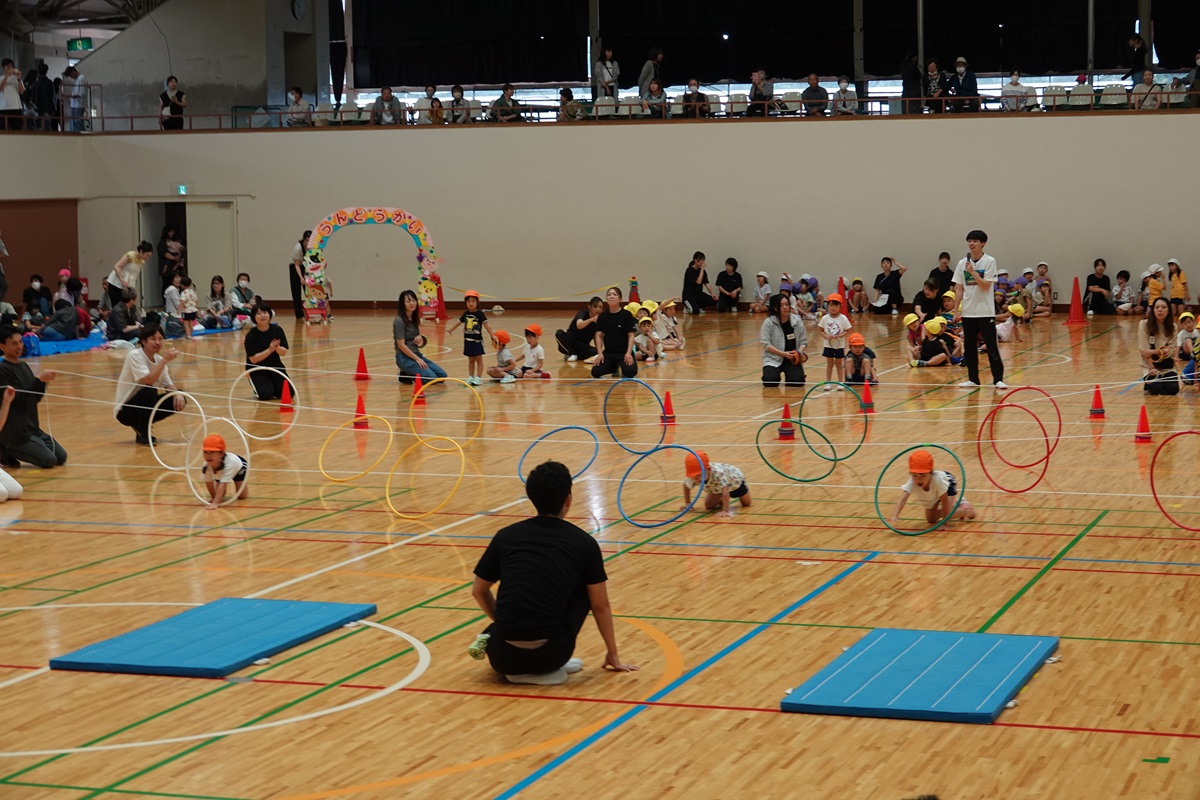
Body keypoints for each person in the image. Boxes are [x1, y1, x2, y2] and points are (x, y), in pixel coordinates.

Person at [467, 460, 638, 685]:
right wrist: (613, 654)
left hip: (502, 657)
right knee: (587, 588)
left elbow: (478, 591)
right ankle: (545, 668)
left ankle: (501, 640)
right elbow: (600, 605)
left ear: (532, 499)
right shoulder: (583, 543)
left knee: (521, 584)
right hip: (552, 656)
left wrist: (503, 622)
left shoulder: (505, 536)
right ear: (568, 499)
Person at [0, 326, 65, 468]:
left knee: (61, 457)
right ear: (2, 347)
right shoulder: (3, 370)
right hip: (17, 434)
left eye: (20, 342)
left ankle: (28, 445)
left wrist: (43, 382)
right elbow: (17, 399)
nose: (19, 346)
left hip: (33, 429)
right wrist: (38, 381)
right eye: (14, 343)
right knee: (49, 460)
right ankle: (6, 449)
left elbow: (34, 399)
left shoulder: (24, 366)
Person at [953, 230, 1006, 390]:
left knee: (991, 346)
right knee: (969, 347)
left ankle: (998, 379)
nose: (971, 243)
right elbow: (959, 288)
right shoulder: (962, 263)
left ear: (983, 243)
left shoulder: (990, 261)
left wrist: (973, 273)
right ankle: (973, 379)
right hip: (968, 312)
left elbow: (986, 285)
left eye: (975, 241)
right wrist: (956, 310)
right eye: (969, 240)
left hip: (985, 311)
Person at [889, 449, 976, 532]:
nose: (919, 480)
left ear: (930, 473)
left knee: (948, 512)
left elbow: (945, 501)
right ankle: (956, 505)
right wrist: (894, 515)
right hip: (934, 492)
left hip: (948, 484)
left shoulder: (937, 481)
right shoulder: (912, 482)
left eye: (923, 476)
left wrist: (944, 523)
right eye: (914, 475)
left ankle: (967, 510)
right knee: (931, 519)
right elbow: (902, 499)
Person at [243, 303, 295, 400]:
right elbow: (253, 359)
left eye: (265, 312)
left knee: (289, 393)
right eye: (258, 313)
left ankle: (271, 385)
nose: (262, 316)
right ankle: (258, 386)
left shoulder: (277, 330)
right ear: (254, 317)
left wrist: (277, 347)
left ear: (269, 314)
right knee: (266, 395)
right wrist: (270, 349)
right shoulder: (251, 335)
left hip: (275, 367)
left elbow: (283, 352)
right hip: (257, 370)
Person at [394, 289, 447, 382]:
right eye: (408, 301)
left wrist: (420, 338)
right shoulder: (399, 321)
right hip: (404, 357)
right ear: (403, 304)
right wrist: (417, 359)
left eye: (413, 301)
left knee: (442, 376)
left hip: (416, 353)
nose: (412, 303)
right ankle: (405, 373)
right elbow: (401, 345)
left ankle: (408, 373)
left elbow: (418, 342)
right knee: (431, 378)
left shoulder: (415, 319)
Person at [681, 450, 750, 519]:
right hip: (717, 488)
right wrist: (688, 504)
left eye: (698, 475)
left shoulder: (718, 473)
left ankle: (742, 490)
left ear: (709, 469)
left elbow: (725, 490)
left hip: (734, 483)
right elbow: (686, 485)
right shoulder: (694, 476)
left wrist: (725, 511)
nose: (695, 479)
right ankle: (721, 497)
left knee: (746, 503)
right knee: (709, 506)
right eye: (693, 476)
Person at [446, 290, 494, 384]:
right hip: (467, 341)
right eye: (468, 301)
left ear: (477, 302)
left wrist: (492, 335)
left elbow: (487, 325)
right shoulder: (466, 314)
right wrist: (451, 329)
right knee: (470, 360)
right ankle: (471, 376)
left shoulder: (480, 314)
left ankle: (478, 377)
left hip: (477, 341)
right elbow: (459, 322)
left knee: (479, 359)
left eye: (473, 301)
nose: (470, 303)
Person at [591, 286, 637, 379]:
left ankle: (622, 364)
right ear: (606, 299)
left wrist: (628, 353)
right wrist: (600, 354)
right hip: (609, 353)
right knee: (595, 372)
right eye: (609, 295)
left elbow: (631, 336)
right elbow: (599, 336)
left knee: (630, 372)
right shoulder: (603, 316)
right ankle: (613, 367)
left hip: (623, 353)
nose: (611, 296)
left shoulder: (626, 315)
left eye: (615, 294)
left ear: (620, 299)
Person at [1139, 297, 1178, 395]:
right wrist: (1151, 368)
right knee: (1156, 389)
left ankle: (1161, 381)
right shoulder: (1144, 324)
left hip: (1167, 366)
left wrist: (1154, 352)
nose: (1160, 310)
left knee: (1173, 389)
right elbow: (1144, 350)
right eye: (1157, 307)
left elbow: (1172, 350)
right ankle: (1150, 382)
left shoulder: (1173, 327)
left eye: (1163, 307)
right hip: (1149, 365)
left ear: (1168, 311)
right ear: (1153, 310)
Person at [201, 433, 248, 510]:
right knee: (220, 495)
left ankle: (242, 482)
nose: (208, 455)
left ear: (221, 454)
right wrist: (214, 498)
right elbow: (208, 482)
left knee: (242, 496)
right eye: (205, 452)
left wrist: (215, 503)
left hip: (239, 467)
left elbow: (223, 484)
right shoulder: (206, 466)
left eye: (212, 452)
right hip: (220, 471)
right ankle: (218, 486)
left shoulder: (229, 465)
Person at [555, 296, 602, 363]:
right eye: (595, 306)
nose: (598, 309)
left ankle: (574, 355)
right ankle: (571, 353)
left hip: (582, 346)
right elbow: (579, 325)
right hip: (569, 341)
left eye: (600, 307)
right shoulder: (582, 313)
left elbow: (597, 337)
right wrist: (591, 320)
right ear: (589, 307)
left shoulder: (599, 321)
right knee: (559, 333)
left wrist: (599, 352)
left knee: (597, 352)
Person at [818, 293, 851, 388]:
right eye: (831, 305)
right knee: (829, 364)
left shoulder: (843, 318)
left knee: (839, 364)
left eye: (836, 305)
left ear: (840, 306)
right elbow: (821, 330)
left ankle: (840, 382)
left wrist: (840, 335)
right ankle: (828, 382)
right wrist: (826, 336)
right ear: (827, 306)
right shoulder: (825, 318)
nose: (833, 307)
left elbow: (848, 330)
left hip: (839, 345)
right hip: (828, 345)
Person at [107, 242, 153, 308]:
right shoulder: (130, 256)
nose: (147, 258)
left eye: (149, 256)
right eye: (147, 255)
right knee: (117, 307)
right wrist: (122, 280)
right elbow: (117, 267)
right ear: (141, 251)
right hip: (116, 284)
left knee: (129, 307)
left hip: (127, 288)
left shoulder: (141, 262)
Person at [289, 231, 311, 319]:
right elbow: (297, 265)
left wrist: (307, 274)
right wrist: (301, 277)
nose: (308, 243)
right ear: (304, 240)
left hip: (307, 267)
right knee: (296, 291)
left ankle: (311, 312)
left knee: (309, 289)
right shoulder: (298, 248)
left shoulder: (313, 247)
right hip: (296, 267)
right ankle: (299, 314)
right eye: (307, 241)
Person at [0, 59, 25, 132]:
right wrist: (7, 76)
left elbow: (21, 92)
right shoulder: (1, 78)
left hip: (16, 108)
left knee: (17, 131)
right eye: (7, 66)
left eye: (11, 66)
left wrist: (19, 79)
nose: (10, 68)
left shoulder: (16, 79)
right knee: (2, 131)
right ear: (3, 68)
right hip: (3, 108)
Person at [62, 65, 87, 133]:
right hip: (75, 105)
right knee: (75, 124)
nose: (71, 77)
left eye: (70, 75)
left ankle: (80, 139)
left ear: (73, 71)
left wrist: (70, 96)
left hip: (79, 105)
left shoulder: (82, 78)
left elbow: (82, 93)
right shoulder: (78, 79)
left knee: (77, 124)